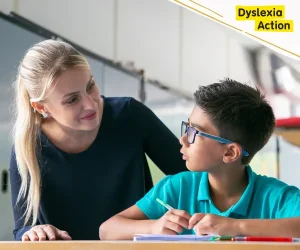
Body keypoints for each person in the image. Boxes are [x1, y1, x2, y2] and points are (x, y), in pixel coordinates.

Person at [9, 39, 186, 241]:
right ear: (42, 107)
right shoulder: (29, 146)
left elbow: (194, 177)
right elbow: (22, 229)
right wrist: (34, 232)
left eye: (90, 86)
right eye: (72, 99)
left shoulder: (130, 115)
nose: (90, 104)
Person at [100, 78, 300, 240]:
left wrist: (236, 227)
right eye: (187, 127)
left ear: (230, 152)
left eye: (194, 132)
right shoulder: (175, 188)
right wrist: (154, 226)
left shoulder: (277, 198)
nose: (183, 139)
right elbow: (107, 230)